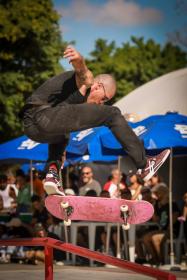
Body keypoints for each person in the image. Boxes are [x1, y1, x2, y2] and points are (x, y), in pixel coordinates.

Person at [21, 45, 170, 196]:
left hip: (31, 128)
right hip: (40, 115)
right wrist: (80, 61)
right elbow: (83, 73)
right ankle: (145, 164)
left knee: (64, 134)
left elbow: (61, 121)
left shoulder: (69, 106)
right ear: (97, 87)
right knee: (112, 114)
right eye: (104, 98)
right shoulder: (87, 84)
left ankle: (52, 175)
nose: (101, 104)